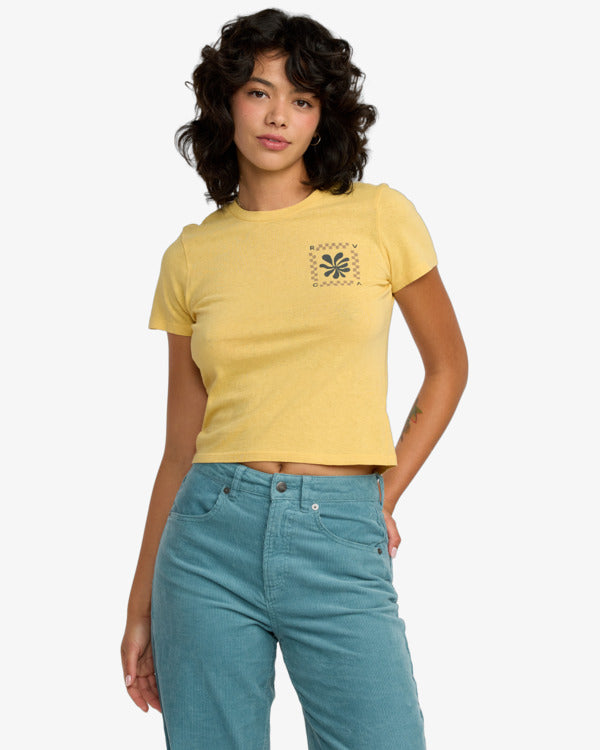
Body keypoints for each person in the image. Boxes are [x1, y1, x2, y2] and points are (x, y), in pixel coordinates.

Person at [120, 8, 468, 749]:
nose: (279, 115)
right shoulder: (191, 255)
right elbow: (180, 446)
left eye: (302, 99)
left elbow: (448, 367)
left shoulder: (379, 217)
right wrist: (139, 603)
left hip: (339, 528)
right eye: (259, 92)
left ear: (322, 118)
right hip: (207, 536)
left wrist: (382, 495)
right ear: (227, 105)